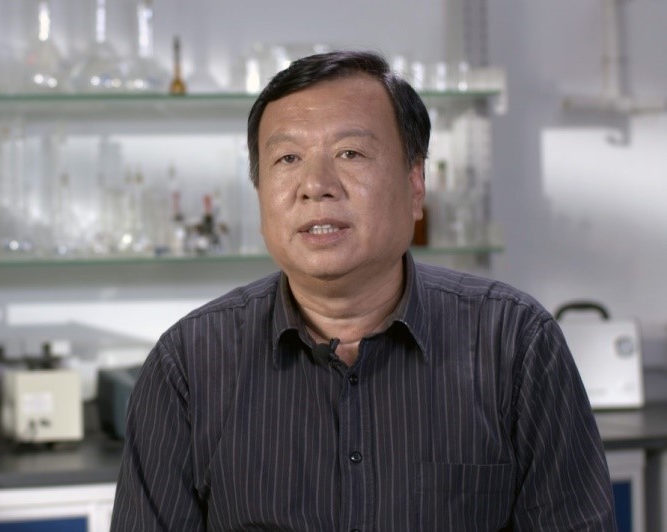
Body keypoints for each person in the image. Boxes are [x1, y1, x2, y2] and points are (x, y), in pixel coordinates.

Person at [111, 50, 615, 530]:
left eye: (350, 153)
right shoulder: (188, 366)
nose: (315, 185)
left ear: (415, 185)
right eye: (287, 158)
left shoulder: (516, 343)